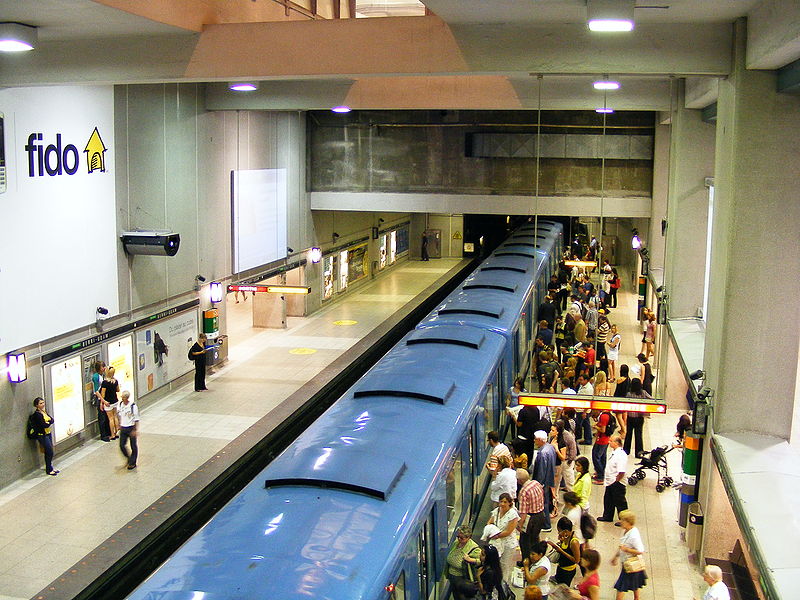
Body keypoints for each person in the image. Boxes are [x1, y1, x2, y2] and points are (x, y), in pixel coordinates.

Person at [485, 493, 520, 587]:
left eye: (505, 502)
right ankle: (495, 582)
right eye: (501, 501)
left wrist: (495, 535)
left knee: (505, 565)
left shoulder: (513, 515)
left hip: (508, 544)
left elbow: (508, 531)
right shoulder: (496, 511)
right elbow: (490, 522)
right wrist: (489, 530)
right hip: (497, 543)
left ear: (510, 503)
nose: (502, 504)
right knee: (495, 563)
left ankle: (503, 585)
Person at [610, 510, 647, 599]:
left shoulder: (633, 536)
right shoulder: (627, 531)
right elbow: (622, 546)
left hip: (630, 564)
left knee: (621, 587)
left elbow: (641, 550)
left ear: (628, 522)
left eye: (622, 520)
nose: (620, 522)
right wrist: (616, 557)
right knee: (635, 584)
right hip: (628, 564)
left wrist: (627, 549)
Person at [516, 469, 547, 560]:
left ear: (520, 481)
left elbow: (523, 512)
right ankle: (537, 558)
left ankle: (527, 561)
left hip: (531, 519)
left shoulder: (523, 492)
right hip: (541, 515)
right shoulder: (536, 483)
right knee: (535, 539)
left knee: (524, 541)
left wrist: (520, 526)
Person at [598, 435, 628, 523]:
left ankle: (624, 520)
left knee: (620, 502)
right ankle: (607, 516)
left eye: (611, 441)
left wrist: (616, 481)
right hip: (610, 482)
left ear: (616, 443)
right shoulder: (614, 452)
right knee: (608, 500)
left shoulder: (621, 455)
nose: (609, 442)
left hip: (617, 483)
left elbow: (621, 471)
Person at [446, 525, 482, 600]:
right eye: (458, 537)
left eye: (462, 538)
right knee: (456, 595)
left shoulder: (474, 548)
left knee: (462, 597)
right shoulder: (456, 543)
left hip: (463, 579)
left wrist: (471, 560)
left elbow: (481, 561)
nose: (459, 539)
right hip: (452, 576)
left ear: (469, 537)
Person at [531, 430, 556, 530]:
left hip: (543, 482)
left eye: (536, 439)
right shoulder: (550, 447)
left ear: (540, 440)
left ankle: (546, 525)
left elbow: (541, 471)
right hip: (549, 479)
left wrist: (538, 484)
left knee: (543, 503)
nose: (534, 441)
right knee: (546, 501)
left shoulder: (542, 453)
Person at [547, 516, 581, 586]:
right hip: (561, 567)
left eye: (559, 531)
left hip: (568, 572)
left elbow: (576, 560)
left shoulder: (574, 542)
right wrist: (560, 542)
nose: (558, 533)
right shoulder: (566, 537)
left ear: (565, 531)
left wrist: (561, 551)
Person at [31, 397, 59, 476]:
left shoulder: (44, 412)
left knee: (48, 451)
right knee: (49, 451)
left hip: (48, 433)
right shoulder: (37, 414)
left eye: (43, 402)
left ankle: (50, 467)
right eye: (40, 403)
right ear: (36, 405)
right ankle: (49, 469)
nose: (42, 404)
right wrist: (48, 423)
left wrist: (48, 422)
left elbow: (52, 420)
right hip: (42, 435)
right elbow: (43, 425)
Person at [624, 379, 651, 457]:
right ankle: (638, 452)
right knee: (638, 435)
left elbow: (625, 403)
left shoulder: (629, 394)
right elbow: (651, 399)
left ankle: (626, 450)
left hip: (630, 417)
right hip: (639, 417)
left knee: (628, 434)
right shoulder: (643, 393)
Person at [117, 390, 140, 470]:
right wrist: (119, 424)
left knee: (133, 445)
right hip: (123, 427)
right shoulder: (120, 404)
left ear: (127, 398)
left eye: (123, 397)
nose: (122, 399)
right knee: (122, 445)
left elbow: (136, 419)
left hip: (131, 427)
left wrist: (135, 430)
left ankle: (133, 463)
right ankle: (129, 458)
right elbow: (119, 415)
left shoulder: (133, 406)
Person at [91, 361, 111, 442]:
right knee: (102, 417)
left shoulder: (102, 375)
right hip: (100, 398)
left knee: (105, 416)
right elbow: (96, 391)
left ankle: (107, 432)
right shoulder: (96, 377)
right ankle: (103, 435)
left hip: (103, 397)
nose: (104, 368)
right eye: (103, 367)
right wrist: (103, 401)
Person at [100, 366, 120, 439]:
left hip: (108, 403)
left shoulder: (105, 382)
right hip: (115, 400)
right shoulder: (115, 381)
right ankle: (116, 432)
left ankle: (112, 435)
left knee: (110, 418)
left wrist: (102, 403)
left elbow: (103, 394)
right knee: (115, 416)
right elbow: (118, 390)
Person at [591, 410, 611, 484]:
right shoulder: (605, 415)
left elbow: (603, 430)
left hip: (602, 440)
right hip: (605, 439)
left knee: (596, 456)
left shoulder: (603, 416)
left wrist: (596, 427)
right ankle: (602, 472)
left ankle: (600, 476)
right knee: (602, 456)